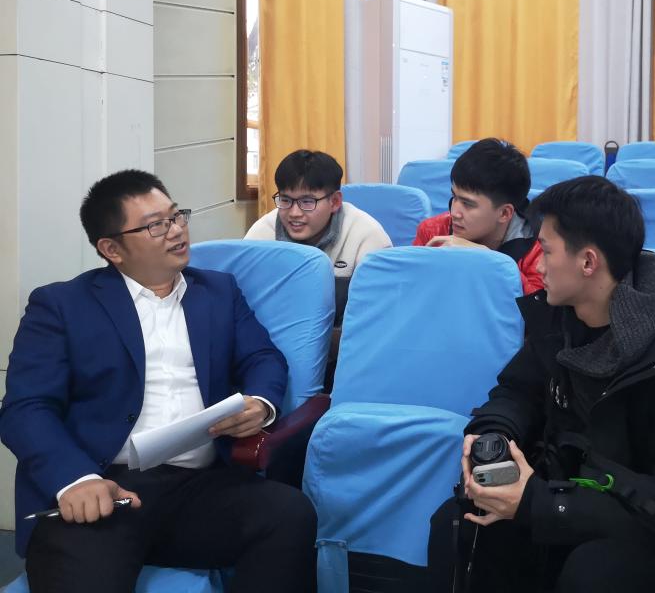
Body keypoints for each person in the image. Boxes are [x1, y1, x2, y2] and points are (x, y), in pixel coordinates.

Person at [0, 170, 317, 592]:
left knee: (289, 514)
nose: (177, 230)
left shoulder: (218, 291)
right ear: (111, 249)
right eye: (155, 225)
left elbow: (262, 357)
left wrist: (260, 402)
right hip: (104, 486)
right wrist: (76, 479)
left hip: (199, 487)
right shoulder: (61, 305)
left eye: (176, 216)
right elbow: (26, 409)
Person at [426, 176, 655, 593]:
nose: (538, 266)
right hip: (562, 502)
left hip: (650, 538)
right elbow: (517, 392)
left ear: (588, 262)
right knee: (460, 522)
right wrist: (495, 436)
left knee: (594, 571)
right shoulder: (561, 321)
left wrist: (542, 504)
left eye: (547, 251)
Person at [245, 149, 391, 321]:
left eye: (307, 202)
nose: (294, 213)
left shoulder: (367, 236)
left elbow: (378, 315)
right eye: (285, 200)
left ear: (335, 202)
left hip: (343, 335)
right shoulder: (261, 235)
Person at [414, 138, 543, 294]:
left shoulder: (541, 247)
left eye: (468, 204)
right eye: (454, 197)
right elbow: (412, 292)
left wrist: (486, 257)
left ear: (504, 213)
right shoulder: (432, 231)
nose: (454, 213)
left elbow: (538, 306)